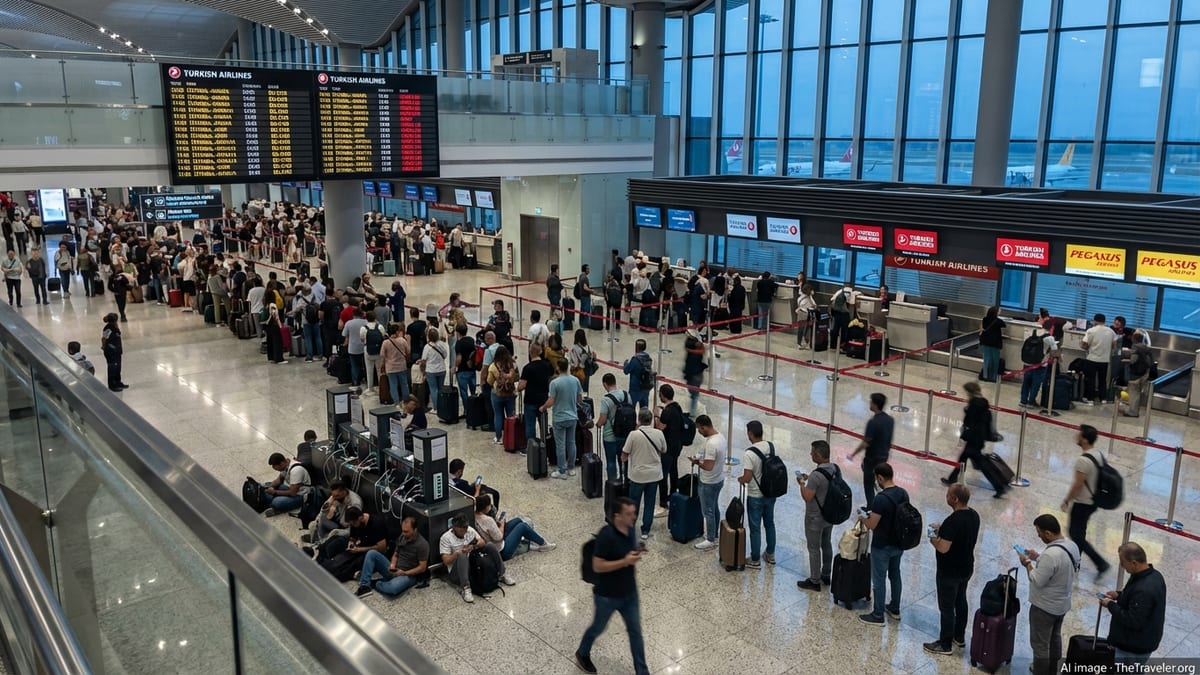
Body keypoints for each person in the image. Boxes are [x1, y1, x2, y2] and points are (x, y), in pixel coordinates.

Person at [575, 497, 648, 675]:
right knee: (598, 627)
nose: (633, 517)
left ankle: (642, 671)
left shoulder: (630, 530)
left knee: (635, 632)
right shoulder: (606, 535)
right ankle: (582, 652)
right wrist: (625, 561)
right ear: (617, 516)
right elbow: (597, 566)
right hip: (607, 596)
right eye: (629, 514)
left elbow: (627, 551)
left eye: (634, 513)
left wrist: (636, 550)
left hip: (630, 593)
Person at [1017, 514, 1080, 675]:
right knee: (1055, 638)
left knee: (1040, 645)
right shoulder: (1072, 546)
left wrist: (1027, 563)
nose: (1038, 536)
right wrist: (1038, 557)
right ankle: (1053, 670)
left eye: (1039, 533)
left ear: (1048, 533)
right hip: (1062, 605)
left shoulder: (1050, 555)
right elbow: (1060, 566)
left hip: (1044, 608)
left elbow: (1037, 580)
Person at [922, 483, 980, 655]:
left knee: (947, 607)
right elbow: (961, 534)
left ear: (954, 499)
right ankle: (959, 636)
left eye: (948, 494)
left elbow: (943, 548)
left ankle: (945, 644)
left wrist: (932, 535)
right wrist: (944, 530)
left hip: (949, 571)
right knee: (961, 600)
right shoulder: (974, 515)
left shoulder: (953, 521)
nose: (946, 496)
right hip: (966, 567)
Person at [858, 462, 908, 625]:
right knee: (895, 574)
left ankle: (878, 614)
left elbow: (872, 525)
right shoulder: (903, 493)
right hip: (898, 543)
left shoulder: (880, 499)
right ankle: (895, 608)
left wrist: (863, 518)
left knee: (879, 579)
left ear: (880, 478)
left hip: (882, 545)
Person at [1101, 542, 1166, 664]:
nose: (1122, 566)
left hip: (1133, 647)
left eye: (1123, 562)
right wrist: (1119, 596)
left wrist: (1110, 605)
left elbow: (1133, 620)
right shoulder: (1154, 575)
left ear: (1134, 563)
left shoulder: (1144, 589)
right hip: (1142, 641)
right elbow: (1137, 602)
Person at [1060, 424, 1112, 579]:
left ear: (1084, 439)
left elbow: (1078, 484)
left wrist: (1067, 500)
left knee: (1074, 533)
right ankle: (1076, 562)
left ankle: (1100, 563)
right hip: (1094, 500)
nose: (1076, 436)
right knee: (1079, 532)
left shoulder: (1083, 460)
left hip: (1083, 502)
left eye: (1079, 434)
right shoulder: (1098, 454)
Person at [941, 382, 1009, 497]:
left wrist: (964, 435)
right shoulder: (983, 403)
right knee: (963, 459)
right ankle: (952, 479)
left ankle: (999, 487)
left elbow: (970, 423)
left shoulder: (974, 405)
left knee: (981, 464)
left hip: (973, 438)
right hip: (979, 438)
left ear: (969, 392)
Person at [439, 514, 515, 603]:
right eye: (461, 531)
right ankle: (466, 587)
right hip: (457, 571)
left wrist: (473, 546)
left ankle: (502, 573)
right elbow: (446, 561)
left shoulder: (469, 530)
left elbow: (482, 542)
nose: (464, 533)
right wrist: (457, 553)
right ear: (454, 528)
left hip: (473, 565)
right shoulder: (446, 538)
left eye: (465, 530)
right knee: (462, 555)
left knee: (490, 546)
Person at [354, 516, 429, 599]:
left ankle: (374, 583)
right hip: (395, 570)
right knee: (371, 553)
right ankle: (365, 586)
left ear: (415, 530)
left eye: (406, 531)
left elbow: (422, 568)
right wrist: (392, 565)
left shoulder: (422, 544)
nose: (403, 533)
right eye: (403, 531)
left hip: (408, 575)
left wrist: (404, 573)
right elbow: (396, 554)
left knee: (393, 588)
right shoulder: (402, 537)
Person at [796, 439, 837, 591]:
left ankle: (814, 580)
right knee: (826, 543)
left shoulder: (816, 476)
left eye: (812, 452)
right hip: (829, 514)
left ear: (818, 455)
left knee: (813, 548)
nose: (810, 454)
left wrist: (802, 483)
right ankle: (826, 574)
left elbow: (808, 497)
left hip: (815, 517)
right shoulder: (834, 469)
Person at [738, 420, 778, 568]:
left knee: (755, 529)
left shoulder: (749, 453)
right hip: (771, 493)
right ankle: (770, 554)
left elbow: (747, 477)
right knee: (769, 524)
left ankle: (755, 559)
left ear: (750, 433)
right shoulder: (770, 446)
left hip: (755, 496)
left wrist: (740, 479)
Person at [621, 408, 665, 540]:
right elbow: (664, 450)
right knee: (650, 503)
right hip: (654, 475)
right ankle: (645, 530)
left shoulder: (633, 435)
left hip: (637, 475)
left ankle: (630, 529)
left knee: (633, 503)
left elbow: (624, 454)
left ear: (638, 420)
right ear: (651, 420)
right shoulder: (659, 433)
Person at [473, 496, 556, 560]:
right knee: (522, 526)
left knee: (517, 520)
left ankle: (531, 542)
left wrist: (497, 524)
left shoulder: (474, 515)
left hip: (493, 543)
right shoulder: (487, 520)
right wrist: (502, 524)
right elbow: (499, 537)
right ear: (485, 507)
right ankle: (543, 544)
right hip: (501, 551)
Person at [541, 358, 583, 479]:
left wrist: (543, 407)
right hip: (572, 416)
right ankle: (571, 468)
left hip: (559, 417)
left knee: (560, 445)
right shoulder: (575, 380)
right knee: (571, 443)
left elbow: (551, 401)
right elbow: (580, 399)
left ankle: (562, 470)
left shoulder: (554, 383)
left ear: (558, 368)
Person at [849, 393, 894, 503]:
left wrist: (853, 454)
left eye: (871, 401)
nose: (869, 403)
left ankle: (871, 506)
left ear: (874, 404)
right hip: (883, 456)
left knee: (868, 483)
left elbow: (866, 443)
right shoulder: (890, 420)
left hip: (872, 458)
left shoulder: (873, 423)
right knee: (881, 478)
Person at [690, 414, 725, 551]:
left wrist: (697, 462)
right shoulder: (720, 437)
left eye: (699, 429)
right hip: (719, 479)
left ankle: (710, 539)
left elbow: (708, 466)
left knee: (708, 511)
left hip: (709, 482)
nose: (699, 432)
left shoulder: (711, 444)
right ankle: (714, 534)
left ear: (704, 427)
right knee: (714, 508)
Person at [653, 384, 687, 511]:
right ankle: (673, 493)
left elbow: (660, 427)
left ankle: (663, 499)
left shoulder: (667, 412)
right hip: (677, 445)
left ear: (663, 395)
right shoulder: (677, 407)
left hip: (667, 446)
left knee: (664, 472)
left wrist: (657, 415)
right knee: (673, 469)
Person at [302, 479, 363, 547]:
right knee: (318, 521)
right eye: (333, 495)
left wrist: (345, 506)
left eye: (337, 496)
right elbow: (322, 513)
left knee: (334, 532)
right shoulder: (335, 497)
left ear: (343, 491)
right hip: (337, 523)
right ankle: (318, 539)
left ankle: (321, 543)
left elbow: (350, 524)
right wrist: (328, 505)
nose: (334, 498)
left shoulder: (354, 502)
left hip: (348, 529)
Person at [596, 373, 633, 481]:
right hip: (625, 434)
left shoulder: (606, 399)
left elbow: (602, 420)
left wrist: (598, 424)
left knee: (611, 461)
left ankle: (612, 484)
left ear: (605, 384)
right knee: (624, 459)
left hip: (610, 436)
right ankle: (625, 481)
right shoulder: (626, 395)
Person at [518, 343, 555, 444]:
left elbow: (521, 386)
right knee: (543, 425)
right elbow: (552, 377)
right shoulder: (547, 365)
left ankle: (532, 447)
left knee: (530, 426)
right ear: (541, 352)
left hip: (530, 400)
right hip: (543, 400)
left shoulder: (528, 368)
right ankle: (544, 445)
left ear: (530, 352)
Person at [261, 452, 311, 516]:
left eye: (277, 468)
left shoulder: (296, 470)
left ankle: (280, 508)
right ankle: (274, 501)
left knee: (277, 502)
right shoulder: (286, 465)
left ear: (281, 464)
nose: (277, 470)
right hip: (291, 487)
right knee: (267, 486)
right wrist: (270, 487)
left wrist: (274, 492)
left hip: (301, 495)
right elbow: (278, 480)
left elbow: (292, 493)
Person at [487, 346, 519, 445]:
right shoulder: (512, 364)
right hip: (510, 394)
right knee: (511, 415)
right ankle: (511, 437)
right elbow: (517, 378)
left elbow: (489, 381)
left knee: (498, 415)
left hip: (497, 394)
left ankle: (498, 437)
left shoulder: (493, 366)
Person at [1020, 326, 1059, 408]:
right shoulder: (1050, 338)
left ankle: (1023, 401)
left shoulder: (1031, 332)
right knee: (1035, 385)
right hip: (1040, 365)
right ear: (1051, 328)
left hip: (1027, 363)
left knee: (1026, 383)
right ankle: (1031, 402)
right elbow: (1054, 352)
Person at [1081, 313, 1115, 404]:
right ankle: (1103, 398)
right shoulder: (1111, 331)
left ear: (1095, 321)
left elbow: (1084, 345)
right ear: (1104, 321)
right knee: (1102, 380)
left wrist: (1086, 346)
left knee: (1090, 379)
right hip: (1104, 360)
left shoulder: (1091, 330)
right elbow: (1114, 345)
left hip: (1092, 359)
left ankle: (1090, 399)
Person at [1119, 331, 1154, 417]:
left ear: (1134, 339)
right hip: (1144, 373)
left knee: (1134, 393)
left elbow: (1133, 360)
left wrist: (1126, 360)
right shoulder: (1145, 347)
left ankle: (1132, 412)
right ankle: (1134, 410)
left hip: (1135, 374)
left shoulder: (1135, 347)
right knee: (1137, 392)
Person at [420, 329, 449, 409]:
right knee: (440, 389)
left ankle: (436, 407)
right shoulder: (442, 345)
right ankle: (442, 405)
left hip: (431, 370)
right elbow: (445, 355)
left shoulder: (427, 347)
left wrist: (423, 371)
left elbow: (423, 360)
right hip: (441, 369)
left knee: (433, 389)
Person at [622, 339, 653, 410]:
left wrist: (626, 364)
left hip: (635, 389)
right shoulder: (648, 358)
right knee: (644, 409)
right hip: (645, 388)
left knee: (631, 410)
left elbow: (626, 371)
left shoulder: (635, 359)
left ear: (636, 347)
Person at [100, 312, 127, 392]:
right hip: (111, 352)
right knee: (112, 368)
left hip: (117, 351)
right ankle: (112, 385)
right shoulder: (108, 328)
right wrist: (104, 347)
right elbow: (104, 339)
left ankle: (118, 382)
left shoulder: (115, 327)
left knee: (118, 367)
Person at [341, 307, 369, 385]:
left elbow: (344, 334)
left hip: (353, 348)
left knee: (354, 366)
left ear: (353, 314)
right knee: (366, 365)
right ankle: (367, 379)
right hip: (364, 347)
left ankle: (356, 382)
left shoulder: (349, 323)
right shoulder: (366, 322)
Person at [681, 333, 706, 417]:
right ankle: (692, 412)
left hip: (693, 376)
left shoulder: (692, 355)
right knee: (694, 395)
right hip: (697, 375)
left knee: (694, 395)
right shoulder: (698, 354)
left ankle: (692, 413)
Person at [979, 305, 1005, 382]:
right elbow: (1004, 325)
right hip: (994, 343)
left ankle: (985, 376)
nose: (1000, 311)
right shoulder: (998, 321)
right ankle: (993, 377)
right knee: (995, 361)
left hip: (985, 342)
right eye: (999, 310)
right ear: (996, 312)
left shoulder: (985, 319)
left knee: (986, 360)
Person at [828, 283, 854, 350]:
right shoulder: (850, 292)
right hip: (844, 313)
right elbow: (851, 303)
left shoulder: (839, 291)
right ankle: (843, 344)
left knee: (835, 329)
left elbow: (832, 300)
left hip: (836, 312)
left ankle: (833, 345)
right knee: (845, 330)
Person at [796, 283, 818, 348]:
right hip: (804, 314)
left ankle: (802, 343)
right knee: (803, 329)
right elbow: (814, 305)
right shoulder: (806, 298)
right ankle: (802, 343)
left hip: (804, 313)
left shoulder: (804, 297)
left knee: (804, 329)